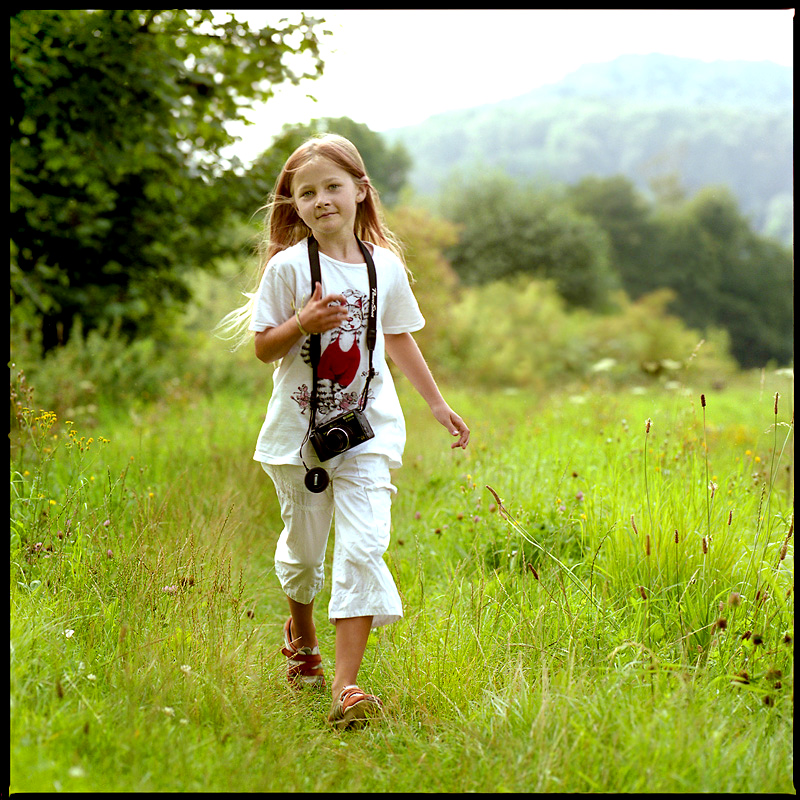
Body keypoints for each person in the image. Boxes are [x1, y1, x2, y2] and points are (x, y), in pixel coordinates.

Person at [218, 133, 469, 729]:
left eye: (333, 186)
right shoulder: (287, 268)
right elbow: (261, 348)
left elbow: (399, 335)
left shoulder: (385, 266)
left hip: (369, 432)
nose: (322, 199)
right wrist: (303, 322)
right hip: (298, 436)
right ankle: (300, 635)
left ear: (360, 190)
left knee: (363, 547)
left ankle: (346, 687)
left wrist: (436, 404)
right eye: (307, 192)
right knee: (305, 558)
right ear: (295, 206)